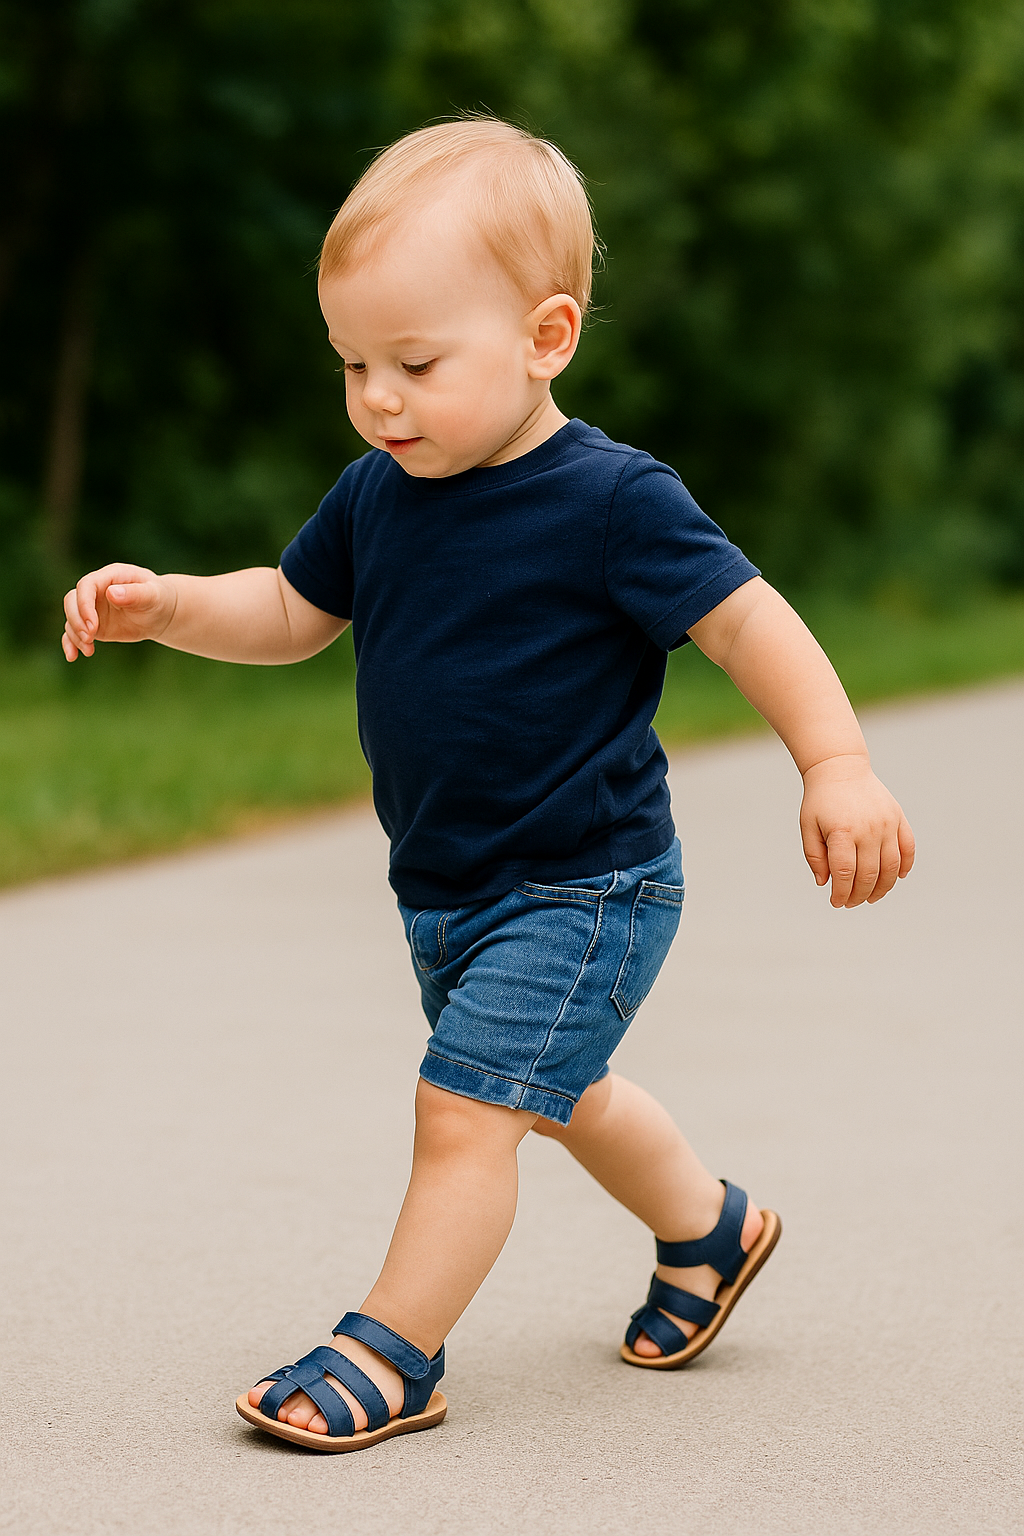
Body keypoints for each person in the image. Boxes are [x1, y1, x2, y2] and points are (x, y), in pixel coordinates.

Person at [61, 117, 915, 1454]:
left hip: (587, 882)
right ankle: (712, 1227)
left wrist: (839, 762)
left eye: (413, 362)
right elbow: (290, 613)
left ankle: (393, 1350)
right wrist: (166, 604)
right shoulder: (376, 494)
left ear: (546, 336)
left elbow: (750, 621)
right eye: (351, 364)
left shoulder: (613, 501)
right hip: (450, 887)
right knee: (559, 1094)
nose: (378, 398)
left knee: (465, 1110)